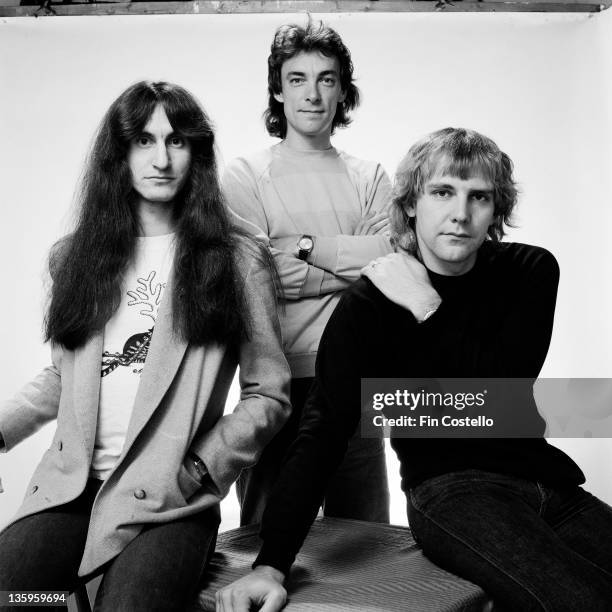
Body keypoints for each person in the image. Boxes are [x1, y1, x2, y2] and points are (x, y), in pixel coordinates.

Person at [216, 128, 612, 612]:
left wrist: (426, 303)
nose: (460, 214)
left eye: (479, 197)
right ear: (410, 204)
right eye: (443, 192)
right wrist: (270, 564)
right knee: (583, 601)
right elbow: (323, 433)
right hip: (453, 491)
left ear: (497, 209)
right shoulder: (368, 305)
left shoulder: (528, 271)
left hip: (549, 484)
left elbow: (499, 390)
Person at [0, 81, 291, 612]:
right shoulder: (73, 258)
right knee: (18, 597)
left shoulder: (235, 259)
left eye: (177, 141)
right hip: (70, 489)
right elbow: (64, 379)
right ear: (120, 153)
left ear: (196, 154)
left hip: (168, 498)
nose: (161, 158)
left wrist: (201, 467)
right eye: (144, 141)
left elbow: (268, 394)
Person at [223, 19, 392, 527]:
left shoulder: (371, 176)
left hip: (353, 381)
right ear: (278, 90)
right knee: (260, 546)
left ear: (344, 91)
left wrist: (298, 253)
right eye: (297, 79)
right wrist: (349, 271)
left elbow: (390, 263)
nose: (313, 94)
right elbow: (254, 277)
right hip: (273, 385)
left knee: (368, 546)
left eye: (327, 78)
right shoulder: (244, 175)